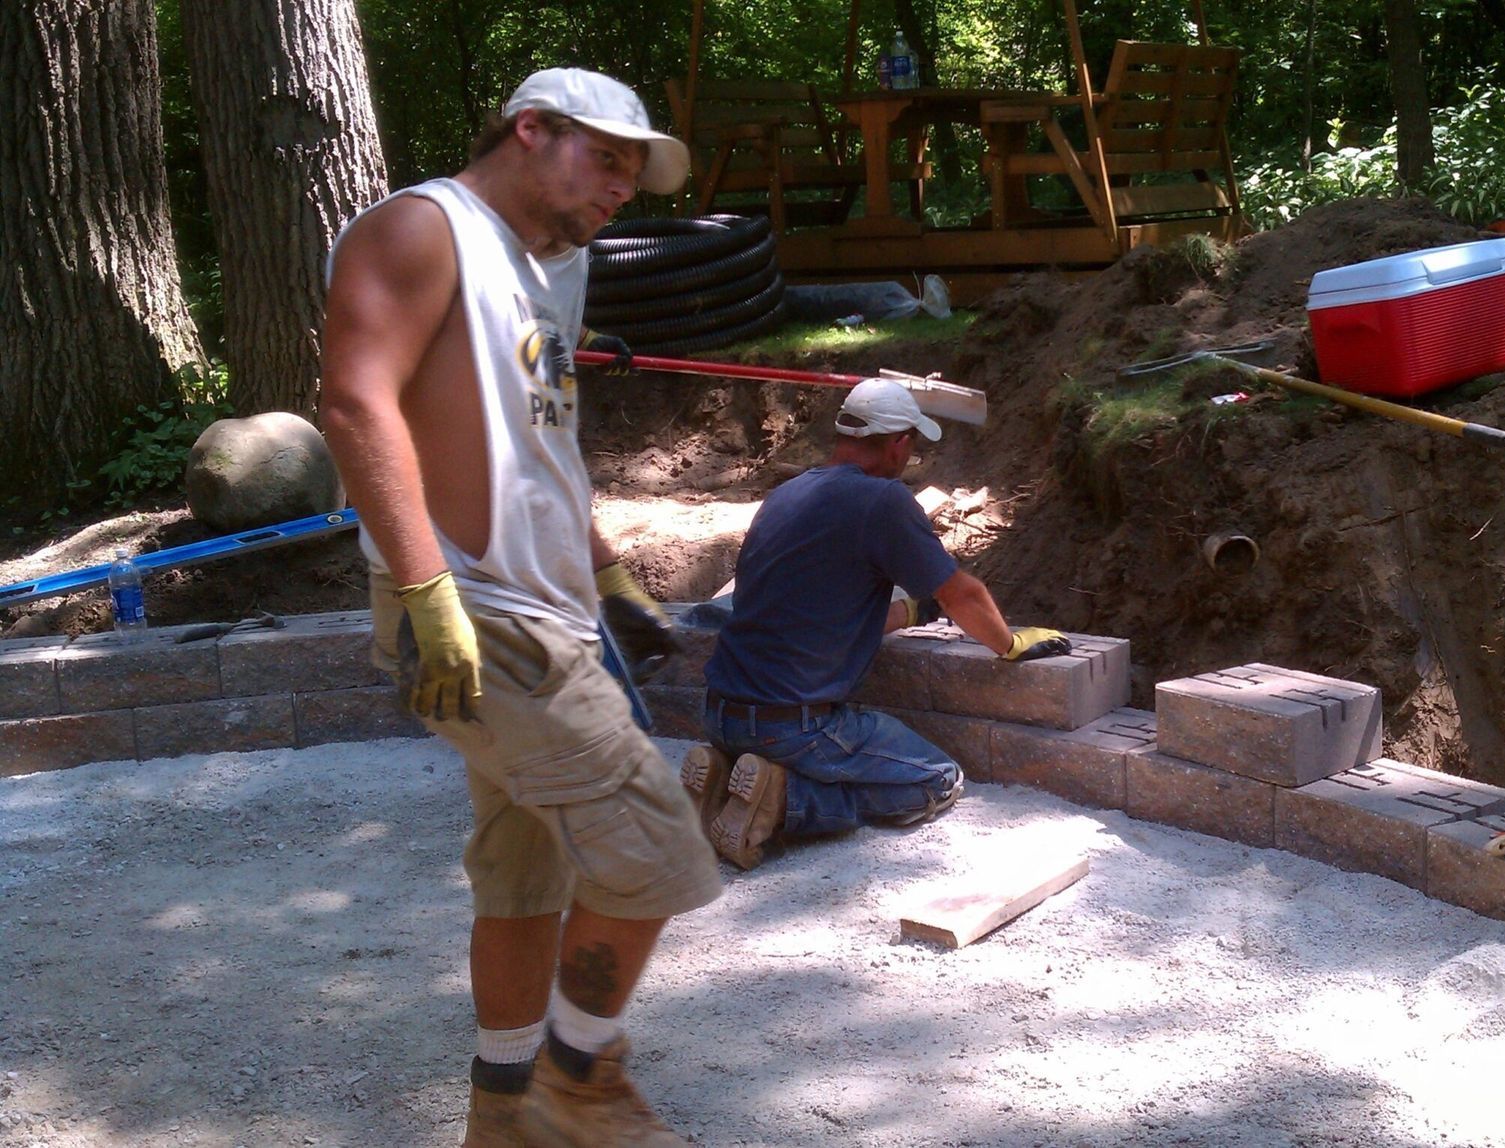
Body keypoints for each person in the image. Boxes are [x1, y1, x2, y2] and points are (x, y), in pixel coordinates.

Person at [317, 67, 721, 1148]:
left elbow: (538, 447)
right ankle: (576, 1084)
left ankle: (502, 1114)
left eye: (634, 174)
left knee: (523, 872)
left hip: (542, 605)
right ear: (531, 130)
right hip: (474, 610)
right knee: (656, 846)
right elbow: (356, 401)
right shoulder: (422, 229)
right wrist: (424, 588)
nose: (620, 189)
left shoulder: (557, 270)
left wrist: (609, 573)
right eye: (607, 159)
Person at [690, 378, 1072, 870]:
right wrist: (1010, 643)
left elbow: (817, 612)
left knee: (816, 752)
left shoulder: (786, 495)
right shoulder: (882, 501)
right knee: (935, 780)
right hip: (792, 726)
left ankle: (724, 779)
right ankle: (782, 801)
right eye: (912, 446)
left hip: (722, 712)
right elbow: (963, 593)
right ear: (898, 443)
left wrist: (914, 612)